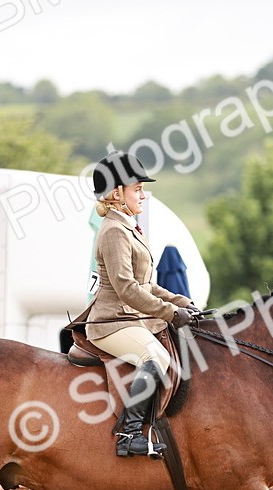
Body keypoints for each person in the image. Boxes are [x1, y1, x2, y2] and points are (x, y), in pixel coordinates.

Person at [85, 150, 198, 457]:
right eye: (138, 189)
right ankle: (128, 433)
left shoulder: (129, 227)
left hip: (131, 319)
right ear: (115, 193)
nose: (143, 195)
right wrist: (171, 313)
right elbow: (127, 289)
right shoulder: (112, 231)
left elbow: (148, 285)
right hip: (112, 323)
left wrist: (184, 302)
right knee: (157, 359)